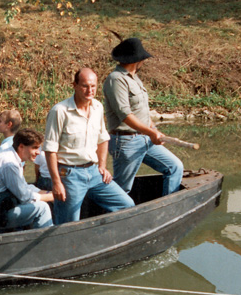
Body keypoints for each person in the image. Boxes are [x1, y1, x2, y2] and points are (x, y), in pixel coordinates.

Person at [43, 68, 134, 225]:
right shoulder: (60, 111)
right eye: (85, 86)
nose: (89, 90)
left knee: (126, 205)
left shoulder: (97, 107)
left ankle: (103, 240)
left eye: (93, 86)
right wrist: (56, 182)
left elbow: (103, 139)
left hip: (94, 173)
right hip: (70, 175)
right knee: (69, 225)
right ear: (75, 85)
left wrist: (103, 166)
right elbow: (50, 150)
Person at [102, 38, 184, 198]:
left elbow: (142, 112)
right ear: (136, 60)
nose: (144, 61)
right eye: (143, 58)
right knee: (121, 189)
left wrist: (154, 130)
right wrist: (150, 132)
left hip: (145, 139)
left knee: (174, 167)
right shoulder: (116, 79)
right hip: (126, 142)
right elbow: (125, 114)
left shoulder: (134, 78)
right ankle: (108, 218)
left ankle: (166, 209)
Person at [0, 128, 53, 231]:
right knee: (42, 208)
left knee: (40, 202)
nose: (38, 152)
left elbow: (24, 186)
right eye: (35, 148)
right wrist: (51, 197)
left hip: (1, 206)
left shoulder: (12, 157)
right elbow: (24, 197)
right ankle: (47, 244)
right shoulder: (9, 163)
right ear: (21, 147)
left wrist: (48, 193)